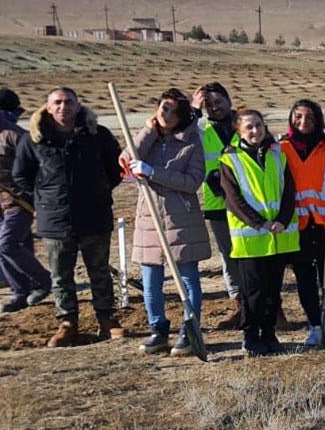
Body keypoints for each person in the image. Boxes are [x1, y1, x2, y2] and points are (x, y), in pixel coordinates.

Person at [12, 87, 122, 346]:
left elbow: (115, 170)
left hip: (94, 218)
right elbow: (20, 176)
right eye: (57, 103)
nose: (63, 107)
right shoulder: (34, 139)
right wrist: (41, 200)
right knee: (61, 276)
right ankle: (67, 323)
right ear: (48, 108)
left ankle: (107, 319)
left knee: (100, 272)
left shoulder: (97, 135)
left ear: (78, 105)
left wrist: (98, 192)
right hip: (55, 220)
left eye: (68, 102)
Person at [121, 89, 210, 356]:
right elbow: (127, 159)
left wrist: (153, 173)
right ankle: (157, 330)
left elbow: (192, 182)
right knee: (150, 281)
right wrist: (148, 132)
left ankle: (189, 329)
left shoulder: (191, 143)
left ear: (181, 116)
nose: (165, 113)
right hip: (149, 219)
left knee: (188, 279)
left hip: (181, 219)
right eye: (162, 107)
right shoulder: (146, 139)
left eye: (172, 110)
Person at [216, 109, 299, 356]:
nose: (255, 131)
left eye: (259, 126)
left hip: (278, 236)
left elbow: (288, 192)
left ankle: (269, 334)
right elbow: (233, 200)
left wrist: (282, 220)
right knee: (253, 292)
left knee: (273, 291)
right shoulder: (230, 160)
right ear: (239, 131)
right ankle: (251, 336)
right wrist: (259, 222)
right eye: (249, 127)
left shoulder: (277, 156)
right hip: (251, 238)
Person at [279, 98, 325, 348]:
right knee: (305, 280)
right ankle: (315, 326)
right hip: (298, 225)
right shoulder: (282, 148)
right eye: (298, 116)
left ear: (318, 120)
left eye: (309, 117)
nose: (303, 122)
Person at [192, 82, 243, 328]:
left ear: (229, 100)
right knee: (229, 256)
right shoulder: (201, 130)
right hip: (218, 204)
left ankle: (269, 305)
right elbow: (182, 133)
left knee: (256, 255)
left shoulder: (245, 125)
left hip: (248, 203)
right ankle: (240, 304)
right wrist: (193, 109)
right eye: (208, 104)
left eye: (218, 101)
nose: (214, 107)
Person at [0, 88, 51, 314]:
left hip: (19, 201)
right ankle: (20, 291)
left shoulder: (15, 136)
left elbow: (39, 169)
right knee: (9, 245)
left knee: (7, 244)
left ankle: (42, 281)